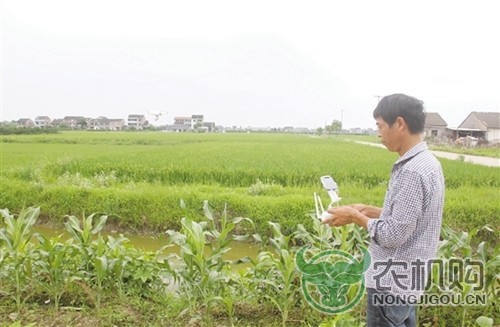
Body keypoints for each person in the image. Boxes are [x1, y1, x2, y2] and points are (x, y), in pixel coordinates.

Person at [322, 93, 445, 327]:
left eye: (380, 126)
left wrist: (354, 217)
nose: (378, 133)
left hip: (390, 283)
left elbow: (393, 235)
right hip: (408, 282)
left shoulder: (411, 171)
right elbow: (409, 218)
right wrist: (366, 210)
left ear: (399, 124)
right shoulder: (429, 163)